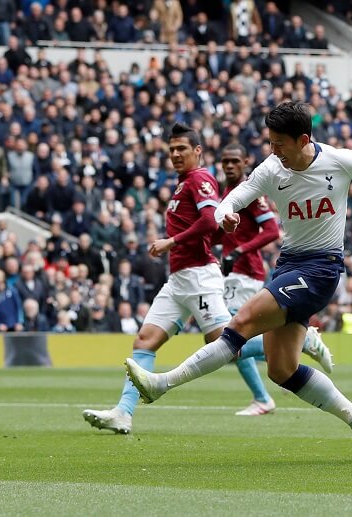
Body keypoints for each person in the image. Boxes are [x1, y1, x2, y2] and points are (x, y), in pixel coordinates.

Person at [124, 102, 352, 461]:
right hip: (289, 265)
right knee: (281, 369)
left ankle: (161, 384)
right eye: (270, 143)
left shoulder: (339, 161)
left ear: (303, 139)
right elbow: (232, 198)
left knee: (241, 322)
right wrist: (225, 214)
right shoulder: (273, 168)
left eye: (280, 144)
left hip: (322, 268)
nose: (273, 151)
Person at [82, 122, 232, 434]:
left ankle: (300, 341)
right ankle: (123, 413)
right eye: (172, 150)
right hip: (179, 279)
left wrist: (171, 242)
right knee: (145, 340)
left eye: (182, 149)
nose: (175, 154)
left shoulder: (200, 178)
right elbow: (210, 228)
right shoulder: (182, 184)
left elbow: (206, 220)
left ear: (198, 151)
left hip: (199, 275)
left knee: (224, 342)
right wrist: (219, 231)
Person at [219, 143, 334, 417]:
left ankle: (264, 395)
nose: (229, 166)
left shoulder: (252, 195)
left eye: (235, 161)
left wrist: (239, 250)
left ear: (246, 162)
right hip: (232, 273)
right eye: (225, 161)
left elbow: (271, 230)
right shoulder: (228, 194)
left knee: (230, 338)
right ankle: (264, 394)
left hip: (246, 272)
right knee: (229, 341)